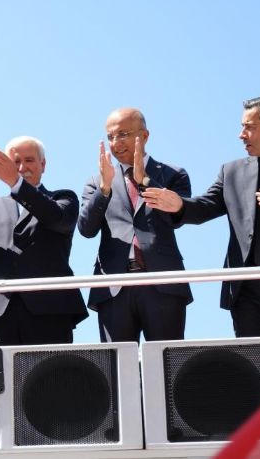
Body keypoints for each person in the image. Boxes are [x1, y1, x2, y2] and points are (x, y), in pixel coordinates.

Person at [143, 97, 260, 337]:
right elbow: (204, 207)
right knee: (255, 368)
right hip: (246, 290)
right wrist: (178, 204)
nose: (241, 134)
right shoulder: (232, 172)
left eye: (249, 127)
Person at [78, 108, 192, 343]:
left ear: (145, 136)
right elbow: (86, 229)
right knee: (118, 371)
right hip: (114, 286)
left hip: (162, 283)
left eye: (123, 134)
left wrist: (144, 181)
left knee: (165, 368)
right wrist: (105, 189)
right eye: (110, 137)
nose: (115, 143)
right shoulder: (97, 181)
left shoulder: (174, 175)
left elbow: (176, 217)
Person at [0, 137, 88, 345]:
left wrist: (16, 183)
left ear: (43, 164)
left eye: (29, 160)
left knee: (51, 376)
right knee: (2, 377)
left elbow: (56, 219)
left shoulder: (63, 198)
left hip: (50, 308)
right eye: (15, 162)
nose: (22, 167)